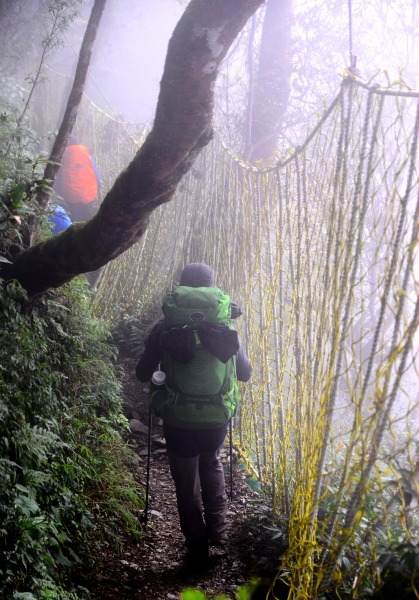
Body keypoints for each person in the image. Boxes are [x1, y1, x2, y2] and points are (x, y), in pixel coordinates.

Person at [136, 263, 251, 569]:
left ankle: (197, 548)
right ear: (213, 289)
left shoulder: (165, 328)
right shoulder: (227, 329)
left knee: (187, 483)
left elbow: (142, 373)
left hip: (178, 419)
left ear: (181, 290)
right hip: (216, 418)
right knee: (211, 462)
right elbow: (245, 373)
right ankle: (219, 537)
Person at [54, 135, 102, 223]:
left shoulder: (64, 155)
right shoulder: (86, 154)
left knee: (74, 219)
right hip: (89, 194)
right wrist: (98, 184)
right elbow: (97, 177)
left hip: (70, 195)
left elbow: (58, 177)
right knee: (88, 220)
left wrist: (58, 193)